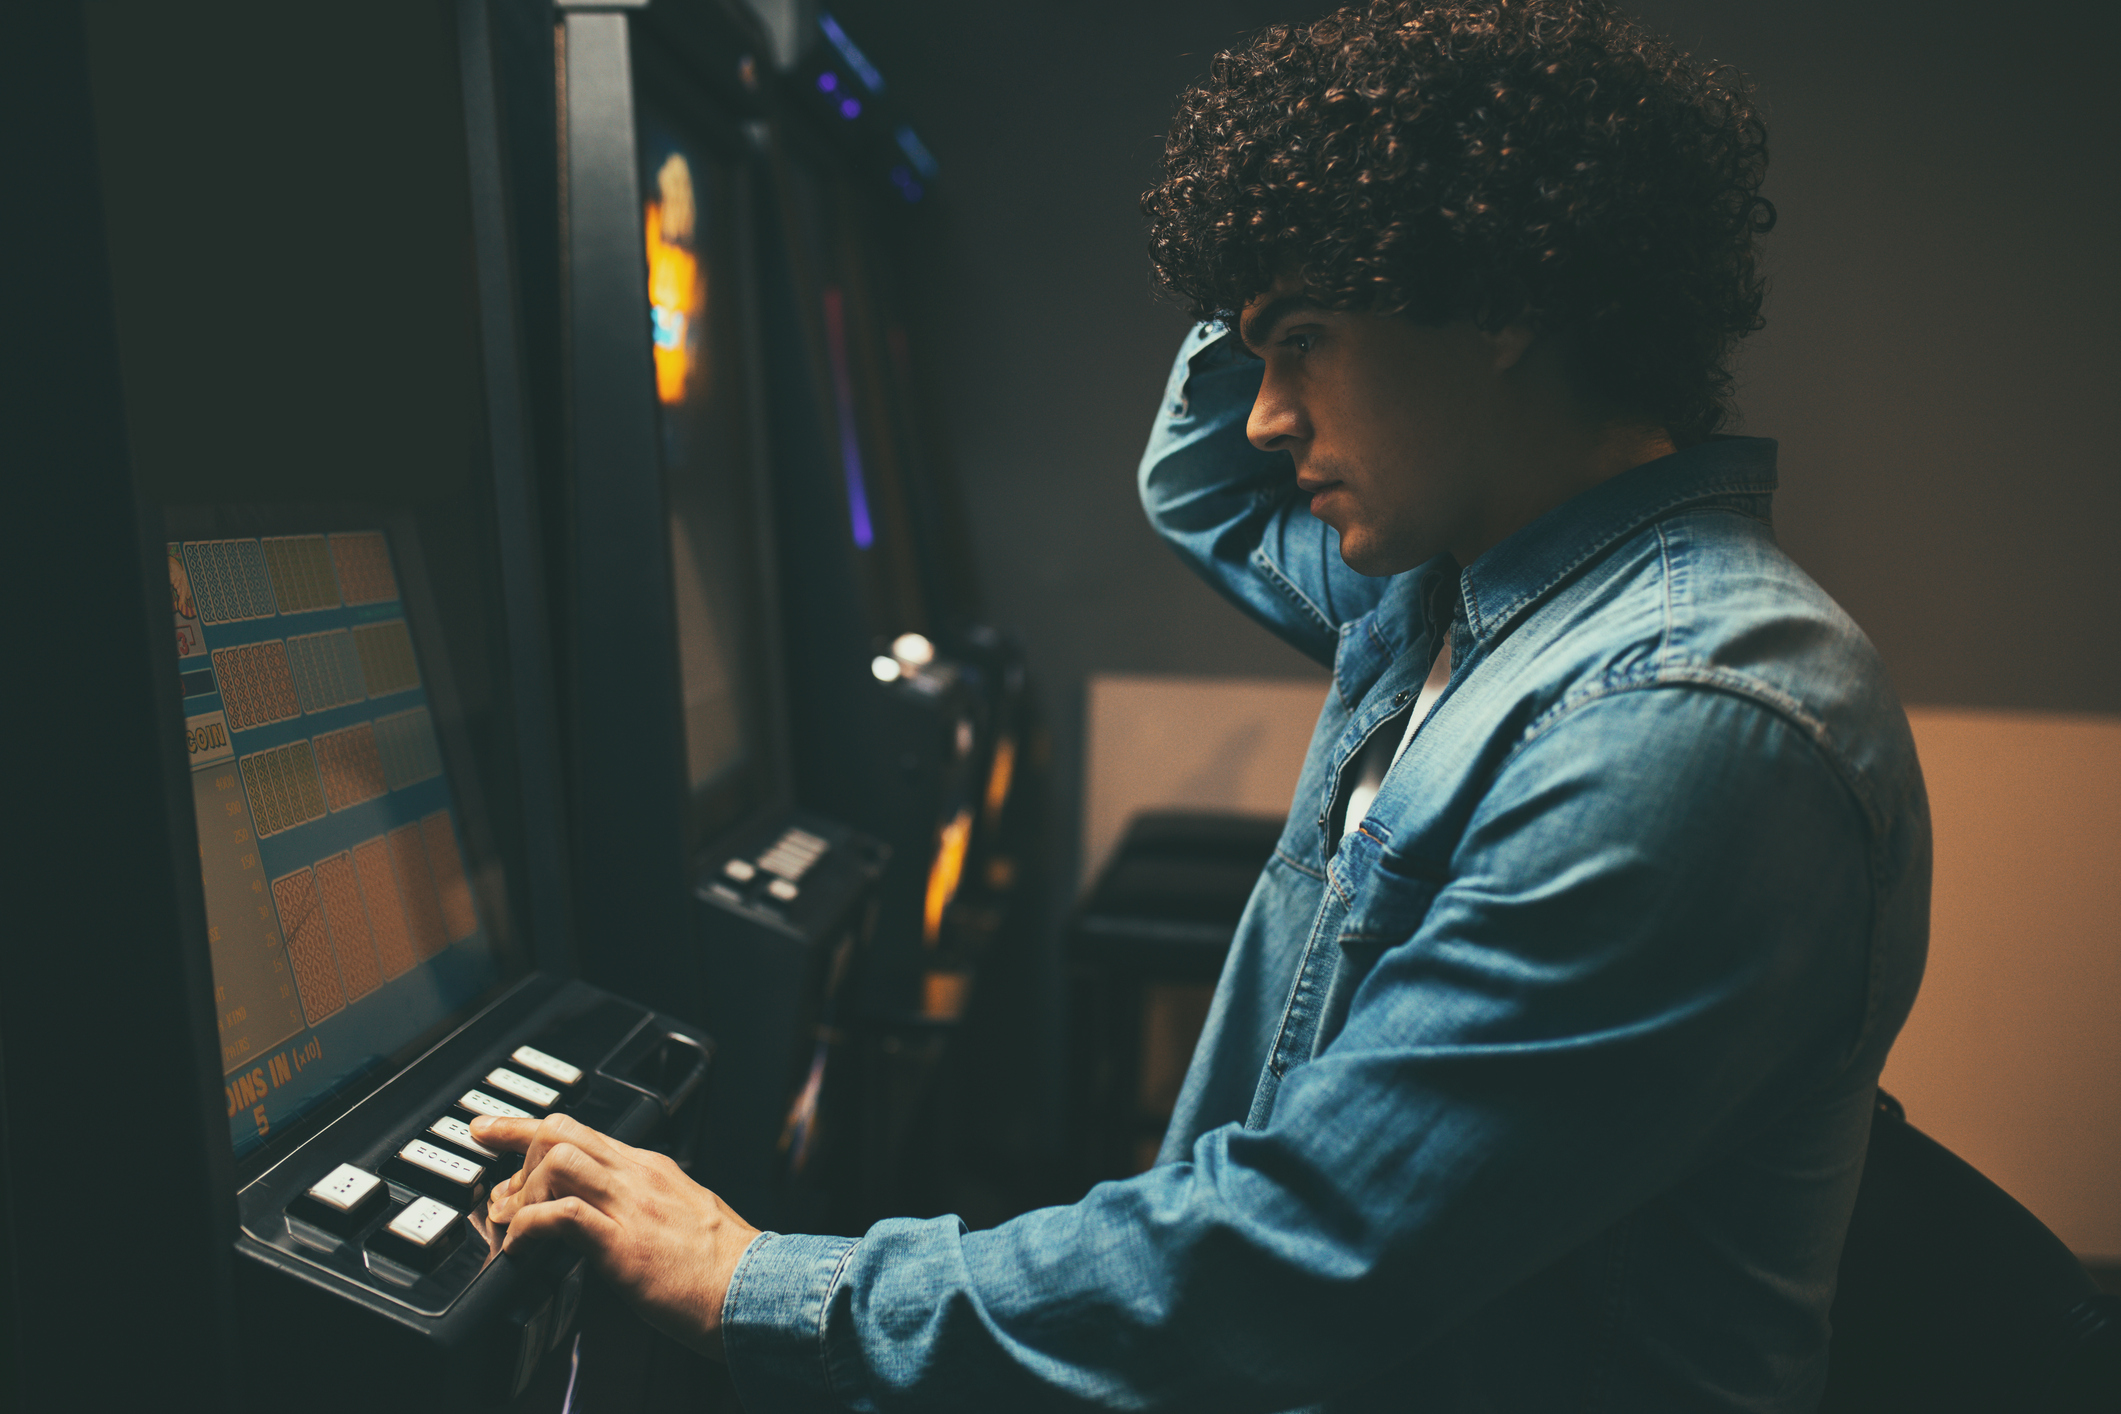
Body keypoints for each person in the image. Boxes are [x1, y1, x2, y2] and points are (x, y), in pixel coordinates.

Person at [470, 2, 1930, 1407]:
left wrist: (753, 1278)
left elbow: (1296, 1254)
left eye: (1301, 337)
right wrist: (1292, 246)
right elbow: (1196, 483)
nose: (1265, 410)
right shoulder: (1446, 595)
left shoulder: (1681, 722)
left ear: (1497, 298)